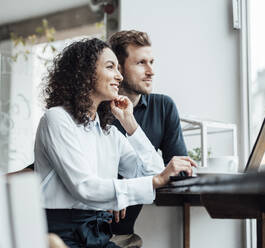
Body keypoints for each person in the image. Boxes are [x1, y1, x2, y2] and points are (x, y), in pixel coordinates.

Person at [33, 38, 195, 247]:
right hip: (59, 235)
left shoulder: (108, 132)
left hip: (98, 233)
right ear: (85, 73)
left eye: (119, 69)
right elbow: (84, 188)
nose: (119, 76)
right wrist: (154, 181)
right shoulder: (56, 119)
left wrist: (130, 124)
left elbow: (152, 172)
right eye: (111, 67)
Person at [107, 30, 189, 247]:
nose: (151, 71)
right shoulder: (96, 110)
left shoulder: (163, 107)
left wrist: (126, 189)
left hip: (124, 236)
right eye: (141, 63)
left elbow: (180, 172)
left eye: (152, 62)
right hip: (85, 230)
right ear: (119, 69)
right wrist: (111, 191)